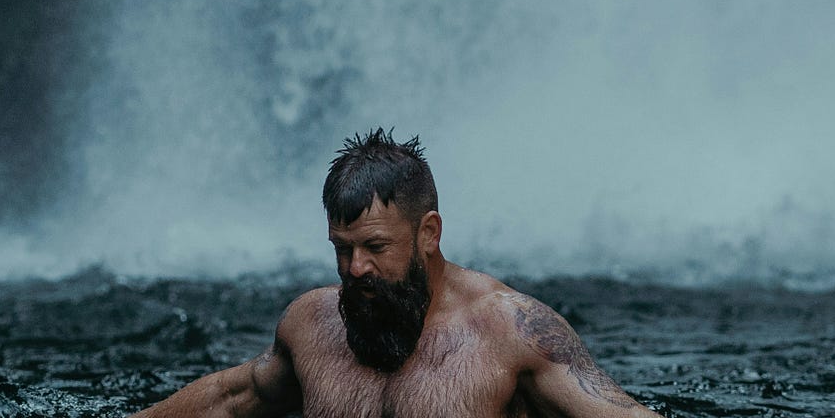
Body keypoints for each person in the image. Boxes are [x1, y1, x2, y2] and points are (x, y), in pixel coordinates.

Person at [133, 129, 664, 417]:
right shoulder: (311, 324)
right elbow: (233, 398)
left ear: (429, 233)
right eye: (342, 249)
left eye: (375, 247)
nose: (355, 268)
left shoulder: (513, 333)